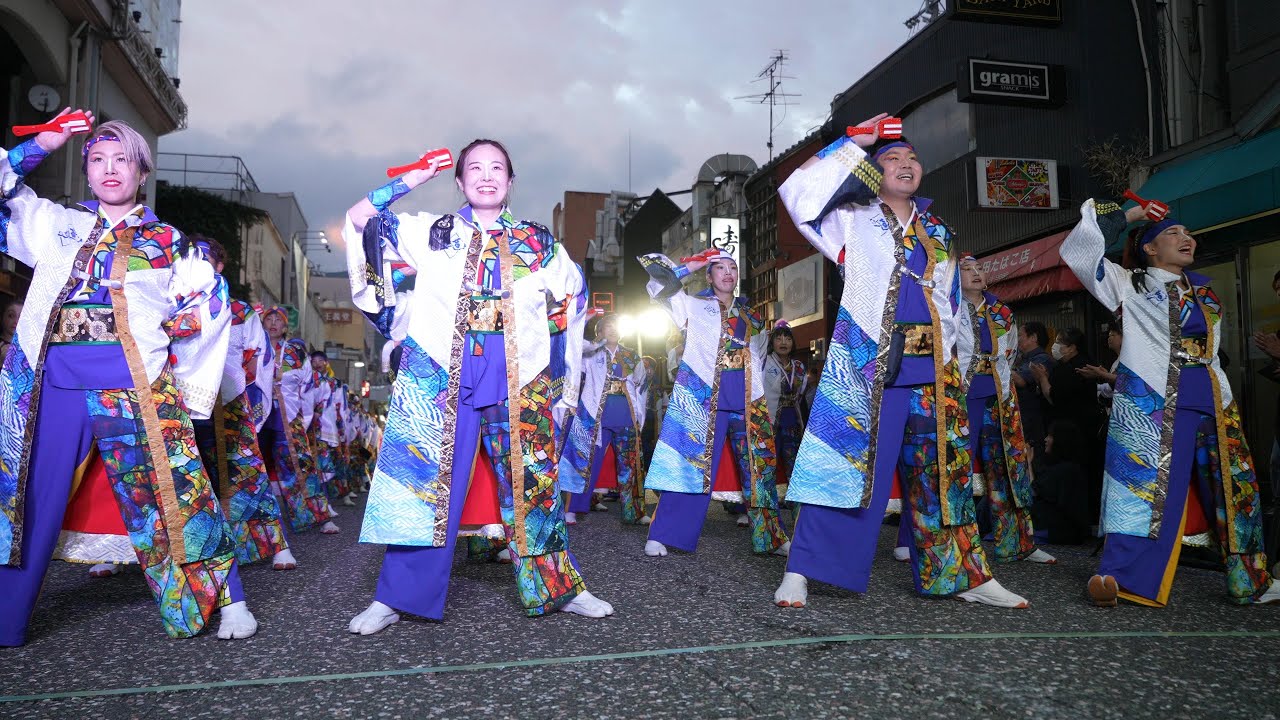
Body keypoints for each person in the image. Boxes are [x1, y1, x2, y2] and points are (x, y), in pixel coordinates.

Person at [0, 111, 257, 644]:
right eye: (97, 159)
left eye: (122, 160)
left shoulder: (168, 241)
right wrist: (43, 143)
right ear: (86, 171)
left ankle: (228, 599)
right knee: (24, 495)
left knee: (177, 492)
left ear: (142, 172)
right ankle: (7, 616)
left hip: (135, 381)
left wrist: (171, 361)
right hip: (52, 379)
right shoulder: (54, 223)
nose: (109, 169)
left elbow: (210, 305)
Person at [344, 138, 612, 635]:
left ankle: (558, 587)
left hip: (518, 372)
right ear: (460, 180)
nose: (486, 176)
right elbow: (361, 219)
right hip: (443, 371)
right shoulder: (432, 232)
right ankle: (398, 596)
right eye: (474, 168)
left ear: (510, 181)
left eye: (496, 168)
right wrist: (414, 177)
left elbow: (571, 296)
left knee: (532, 484)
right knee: (425, 482)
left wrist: (552, 355)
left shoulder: (538, 242)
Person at [773, 113, 1028, 610]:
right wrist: (854, 142)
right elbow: (798, 196)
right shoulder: (851, 216)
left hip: (932, 366)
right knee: (842, 465)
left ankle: (960, 574)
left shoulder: (937, 228)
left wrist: (955, 361)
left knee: (942, 471)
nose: (906, 164)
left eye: (912, 157)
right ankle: (801, 571)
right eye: (892, 158)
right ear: (873, 169)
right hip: (867, 363)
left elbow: (952, 302)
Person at [1060, 195, 1279, 607]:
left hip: (1212, 395)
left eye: (1189, 233)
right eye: (1173, 233)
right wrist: (1134, 215)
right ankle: (1120, 578)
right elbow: (1079, 251)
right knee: (1138, 487)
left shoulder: (1206, 291)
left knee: (1234, 489)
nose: (1187, 238)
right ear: (1149, 248)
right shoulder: (1129, 283)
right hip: (1151, 399)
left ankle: (1251, 580)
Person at [637, 249, 789, 559]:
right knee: (689, 465)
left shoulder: (752, 316)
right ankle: (664, 533)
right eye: (719, 268)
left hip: (748, 400)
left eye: (733, 267)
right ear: (709, 275)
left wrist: (763, 402)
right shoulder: (693, 305)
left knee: (759, 469)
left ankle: (770, 537)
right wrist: (690, 266)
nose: (728, 272)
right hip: (704, 398)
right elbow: (656, 287)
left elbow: (760, 359)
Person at [191, 238, 295, 570]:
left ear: (219, 267)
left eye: (204, 258)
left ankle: (275, 545)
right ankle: (197, 552)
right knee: (188, 481)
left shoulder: (240, 311)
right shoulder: (169, 304)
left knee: (248, 476)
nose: (196, 263)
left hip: (230, 404)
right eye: (189, 257)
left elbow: (259, 360)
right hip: (180, 405)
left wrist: (251, 403)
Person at [955, 256, 1054, 564]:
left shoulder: (1002, 310)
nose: (975, 274)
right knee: (954, 469)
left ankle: (1017, 543)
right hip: (960, 394)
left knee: (1009, 469)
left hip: (998, 395)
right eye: (967, 270)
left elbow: (1009, 356)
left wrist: (1004, 386)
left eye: (979, 269)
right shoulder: (948, 307)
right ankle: (954, 548)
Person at [562, 313, 651, 525]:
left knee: (630, 466)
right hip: (594, 416)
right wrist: (587, 337)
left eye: (616, 326)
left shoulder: (632, 356)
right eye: (607, 327)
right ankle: (573, 508)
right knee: (586, 462)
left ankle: (635, 511)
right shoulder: (590, 355)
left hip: (626, 415)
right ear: (599, 332)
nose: (613, 330)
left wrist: (640, 417)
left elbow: (641, 388)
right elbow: (572, 350)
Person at [258, 306, 336, 535]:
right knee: (252, 471)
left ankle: (319, 516)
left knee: (301, 466)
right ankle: (260, 530)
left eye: (278, 320)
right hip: (258, 417)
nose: (273, 323)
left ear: (285, 327)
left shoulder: (296, 353)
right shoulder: (254, 347)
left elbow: (308, 388)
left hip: (289, 417)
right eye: (268, 319)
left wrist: (304, 420)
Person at [1031, 420, 1092, 544]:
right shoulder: (1070, 468)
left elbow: (1032, 492)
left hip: (1057, 531)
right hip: (1068, 530)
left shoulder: (1064, 470)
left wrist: (1027, 462)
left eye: (1051, 436)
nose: (1046, 439)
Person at [763, 321, 807, 488]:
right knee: (767, 462)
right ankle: (766, 505)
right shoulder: (764, 363)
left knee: (794, 463)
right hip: (769, 420)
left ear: (793, 343)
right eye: (778, 338)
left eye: (787, 339)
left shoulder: (799, 367)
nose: (783, 342)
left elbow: (800, 395)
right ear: (772, 342)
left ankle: (796, 505)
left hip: (793, 421)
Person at [1012, 321, 1053, 468]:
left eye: (1020, 335)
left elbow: (1021, 381)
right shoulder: (1022, 358)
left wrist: (997, 363)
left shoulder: (1041, 359)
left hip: (1034, 421)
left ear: (1033, 337)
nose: (1018, 339)